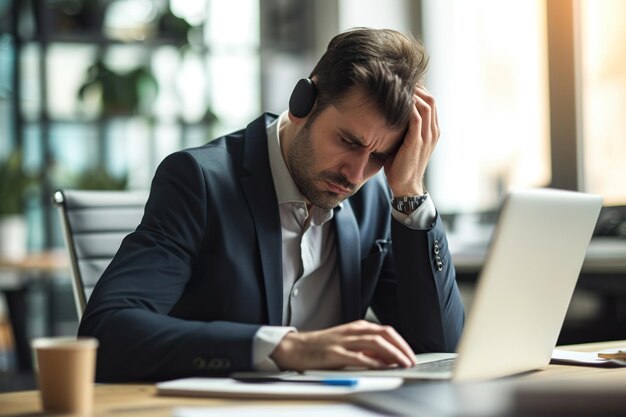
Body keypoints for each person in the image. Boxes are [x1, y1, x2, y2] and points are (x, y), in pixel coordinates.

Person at [78, 27, 465, 382]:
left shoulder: (375, 202)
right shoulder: (198, 182)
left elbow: (442, 345)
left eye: (379, 156)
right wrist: (284, 347)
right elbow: (106, 333)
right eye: (348, 142)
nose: (356, 173)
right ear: (303, 103)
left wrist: (410, 190)